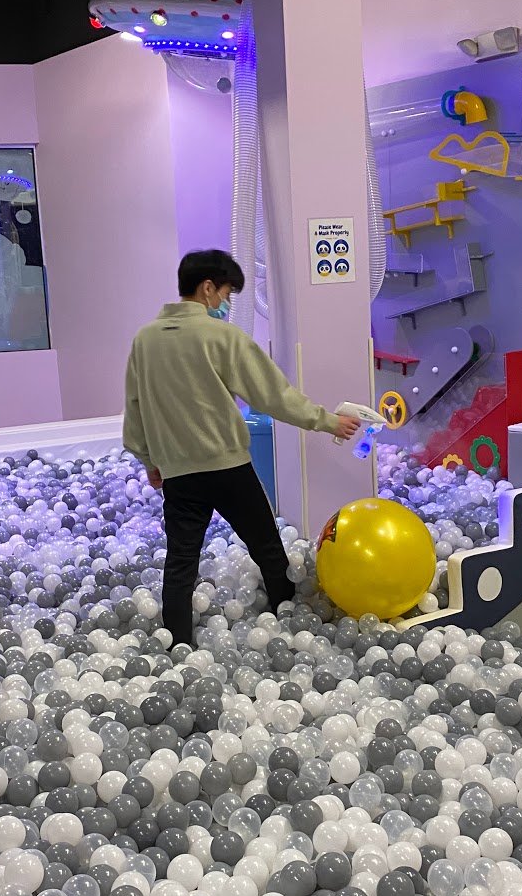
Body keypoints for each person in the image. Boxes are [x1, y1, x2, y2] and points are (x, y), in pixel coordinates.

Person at [123, 248, 359, 646]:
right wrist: (327, 421)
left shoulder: (144, 340)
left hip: (179, 474)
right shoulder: (222, 337)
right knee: (267, 549)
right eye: (226, 293)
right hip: (228, 468)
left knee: (180, 562)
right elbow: (272, 396)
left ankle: (177, 646)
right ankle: (291, 627)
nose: (226, 303)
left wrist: (150, 460)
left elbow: (135, 408)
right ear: (208, 287)